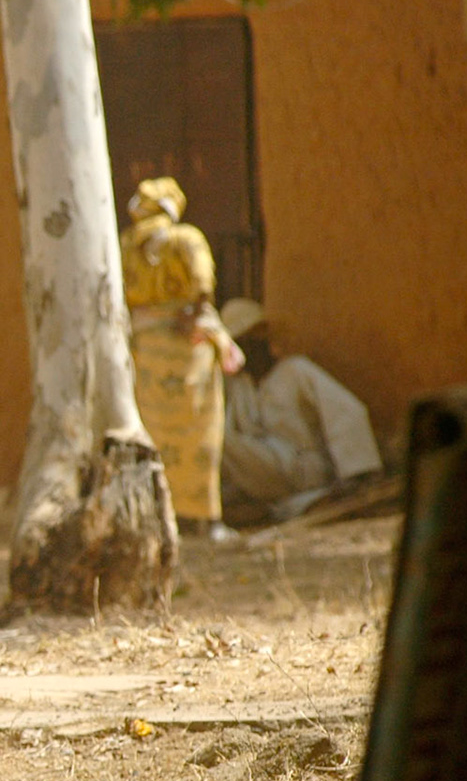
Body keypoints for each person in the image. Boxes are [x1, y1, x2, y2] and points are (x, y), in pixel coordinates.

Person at [120, 177, 245, 541]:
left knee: (154, 431)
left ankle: (159, 517)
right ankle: (205, 519)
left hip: (145, 349)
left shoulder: (127, 244)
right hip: (188, 346)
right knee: (199, 431)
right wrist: (194, 314)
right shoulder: (186, 239)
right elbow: (202, 285)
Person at [217, 298, 385, 524]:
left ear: (263, 339)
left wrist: (358, 472)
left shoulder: (295, 371)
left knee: (220, 439)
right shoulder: (240, 387)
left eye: (252, 340)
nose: (249, 348)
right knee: (215, 437)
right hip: (266, 474)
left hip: (303, 468)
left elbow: (344, 410)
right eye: (241, 343)